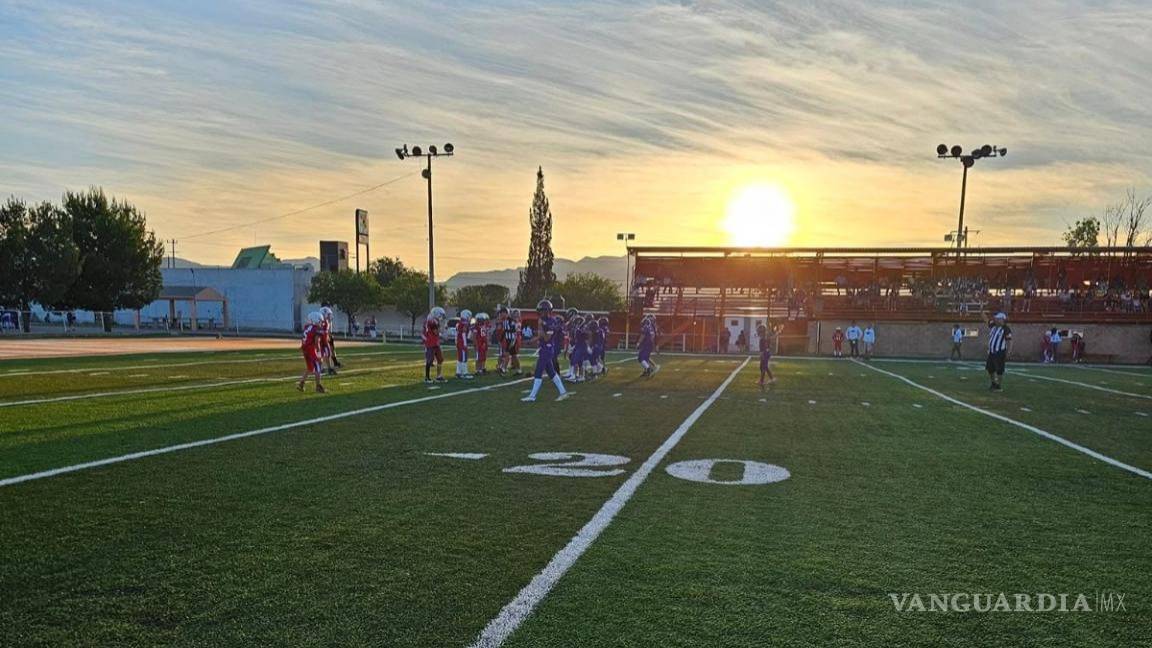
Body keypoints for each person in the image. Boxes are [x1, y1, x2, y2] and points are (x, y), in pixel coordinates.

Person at [522, 300, 570, 402]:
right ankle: (563, 392)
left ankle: (532, 396)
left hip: (547, 349)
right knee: (552, 373)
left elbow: (547, 338)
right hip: (545, 348)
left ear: (547, 310)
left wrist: (540, 326)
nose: (540, 313)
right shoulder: (543, 320)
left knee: (538, 371)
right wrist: (531, 341)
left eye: (542, 310)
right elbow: (540, 336)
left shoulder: (552, 322)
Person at [296, 311, 326, 393]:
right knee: (318, 366)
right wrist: (319, 354)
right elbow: (317, 342)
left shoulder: (307, 327)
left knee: (310, 368)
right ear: (315, 320)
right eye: (320, 321)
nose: (321, 323)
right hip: (311, 349)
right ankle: (318, 386)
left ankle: (301, 384)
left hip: (305, 348)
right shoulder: (317, 329)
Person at [985, 312, 1012, 392]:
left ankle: (999, 386)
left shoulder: (1006, 329)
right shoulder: (993, 326)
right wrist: (981, 311)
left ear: (1002, 319)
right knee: (990, 369)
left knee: (999, 370)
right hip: (992, 352)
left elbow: (1009, 341)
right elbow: (986, 320)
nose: (995, 320)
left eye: (997, 319)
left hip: (1000, 352)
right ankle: (993, 383)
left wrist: (1008, 352)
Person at [423, 307, 447, 384]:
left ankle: (439, 376)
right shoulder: (432, 321)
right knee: (429, 361)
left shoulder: (432, 320)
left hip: (435, 342)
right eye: (440, 315)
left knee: (440, 359)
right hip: (431, 343)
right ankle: (427, 377)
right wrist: (443, 332)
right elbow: (436, 332)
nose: (441, 317)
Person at [757, 322, 781, 389]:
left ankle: (762, 381)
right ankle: (772, 379)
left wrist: (761, 355)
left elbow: (762, 349)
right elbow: (772, 339)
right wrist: (777, 333)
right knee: (763, 367)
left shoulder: (762, 339)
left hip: (765, 354)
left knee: (763, 367)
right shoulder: (765, 337)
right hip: (767, 353)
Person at [455, 310, 474, 379]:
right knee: (463, 358)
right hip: (462, 342)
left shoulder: (459, 322)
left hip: (459, 342)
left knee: (460, 358)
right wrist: (465, 344)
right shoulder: (463, 323)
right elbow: (463, 333)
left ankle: (458, 372)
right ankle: (464, 372)